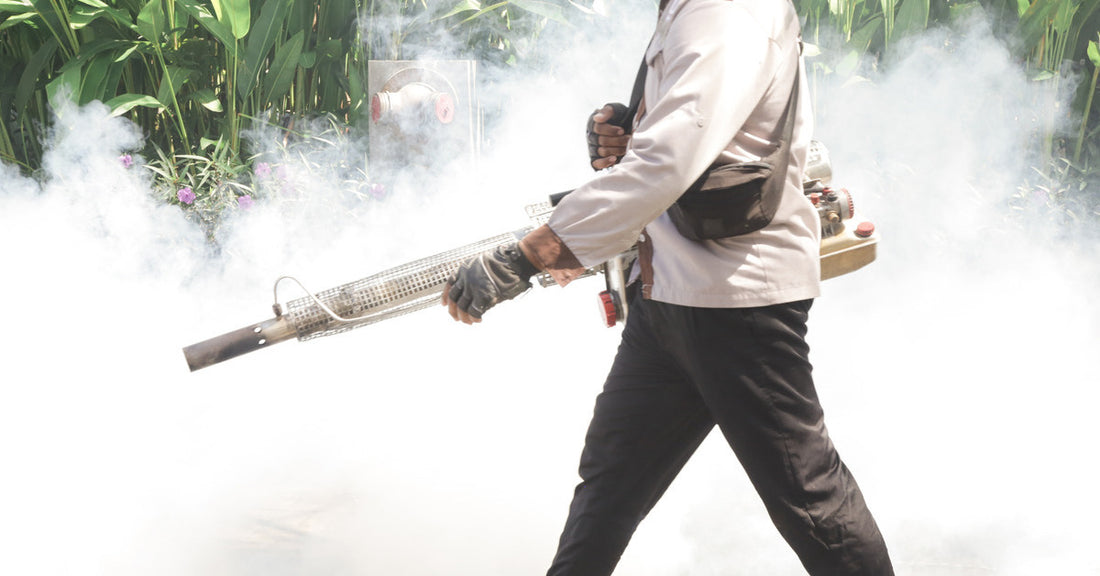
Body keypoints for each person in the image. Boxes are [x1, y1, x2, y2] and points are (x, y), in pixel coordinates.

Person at [441, 0, 895, 573]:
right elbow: (688, 132)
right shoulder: (687, 7)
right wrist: (630, 124)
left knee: (811, 502)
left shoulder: (729, 9)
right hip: (668, 295)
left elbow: (669, 160)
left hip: (736, 303)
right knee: (609, 484)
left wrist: (533, 255)